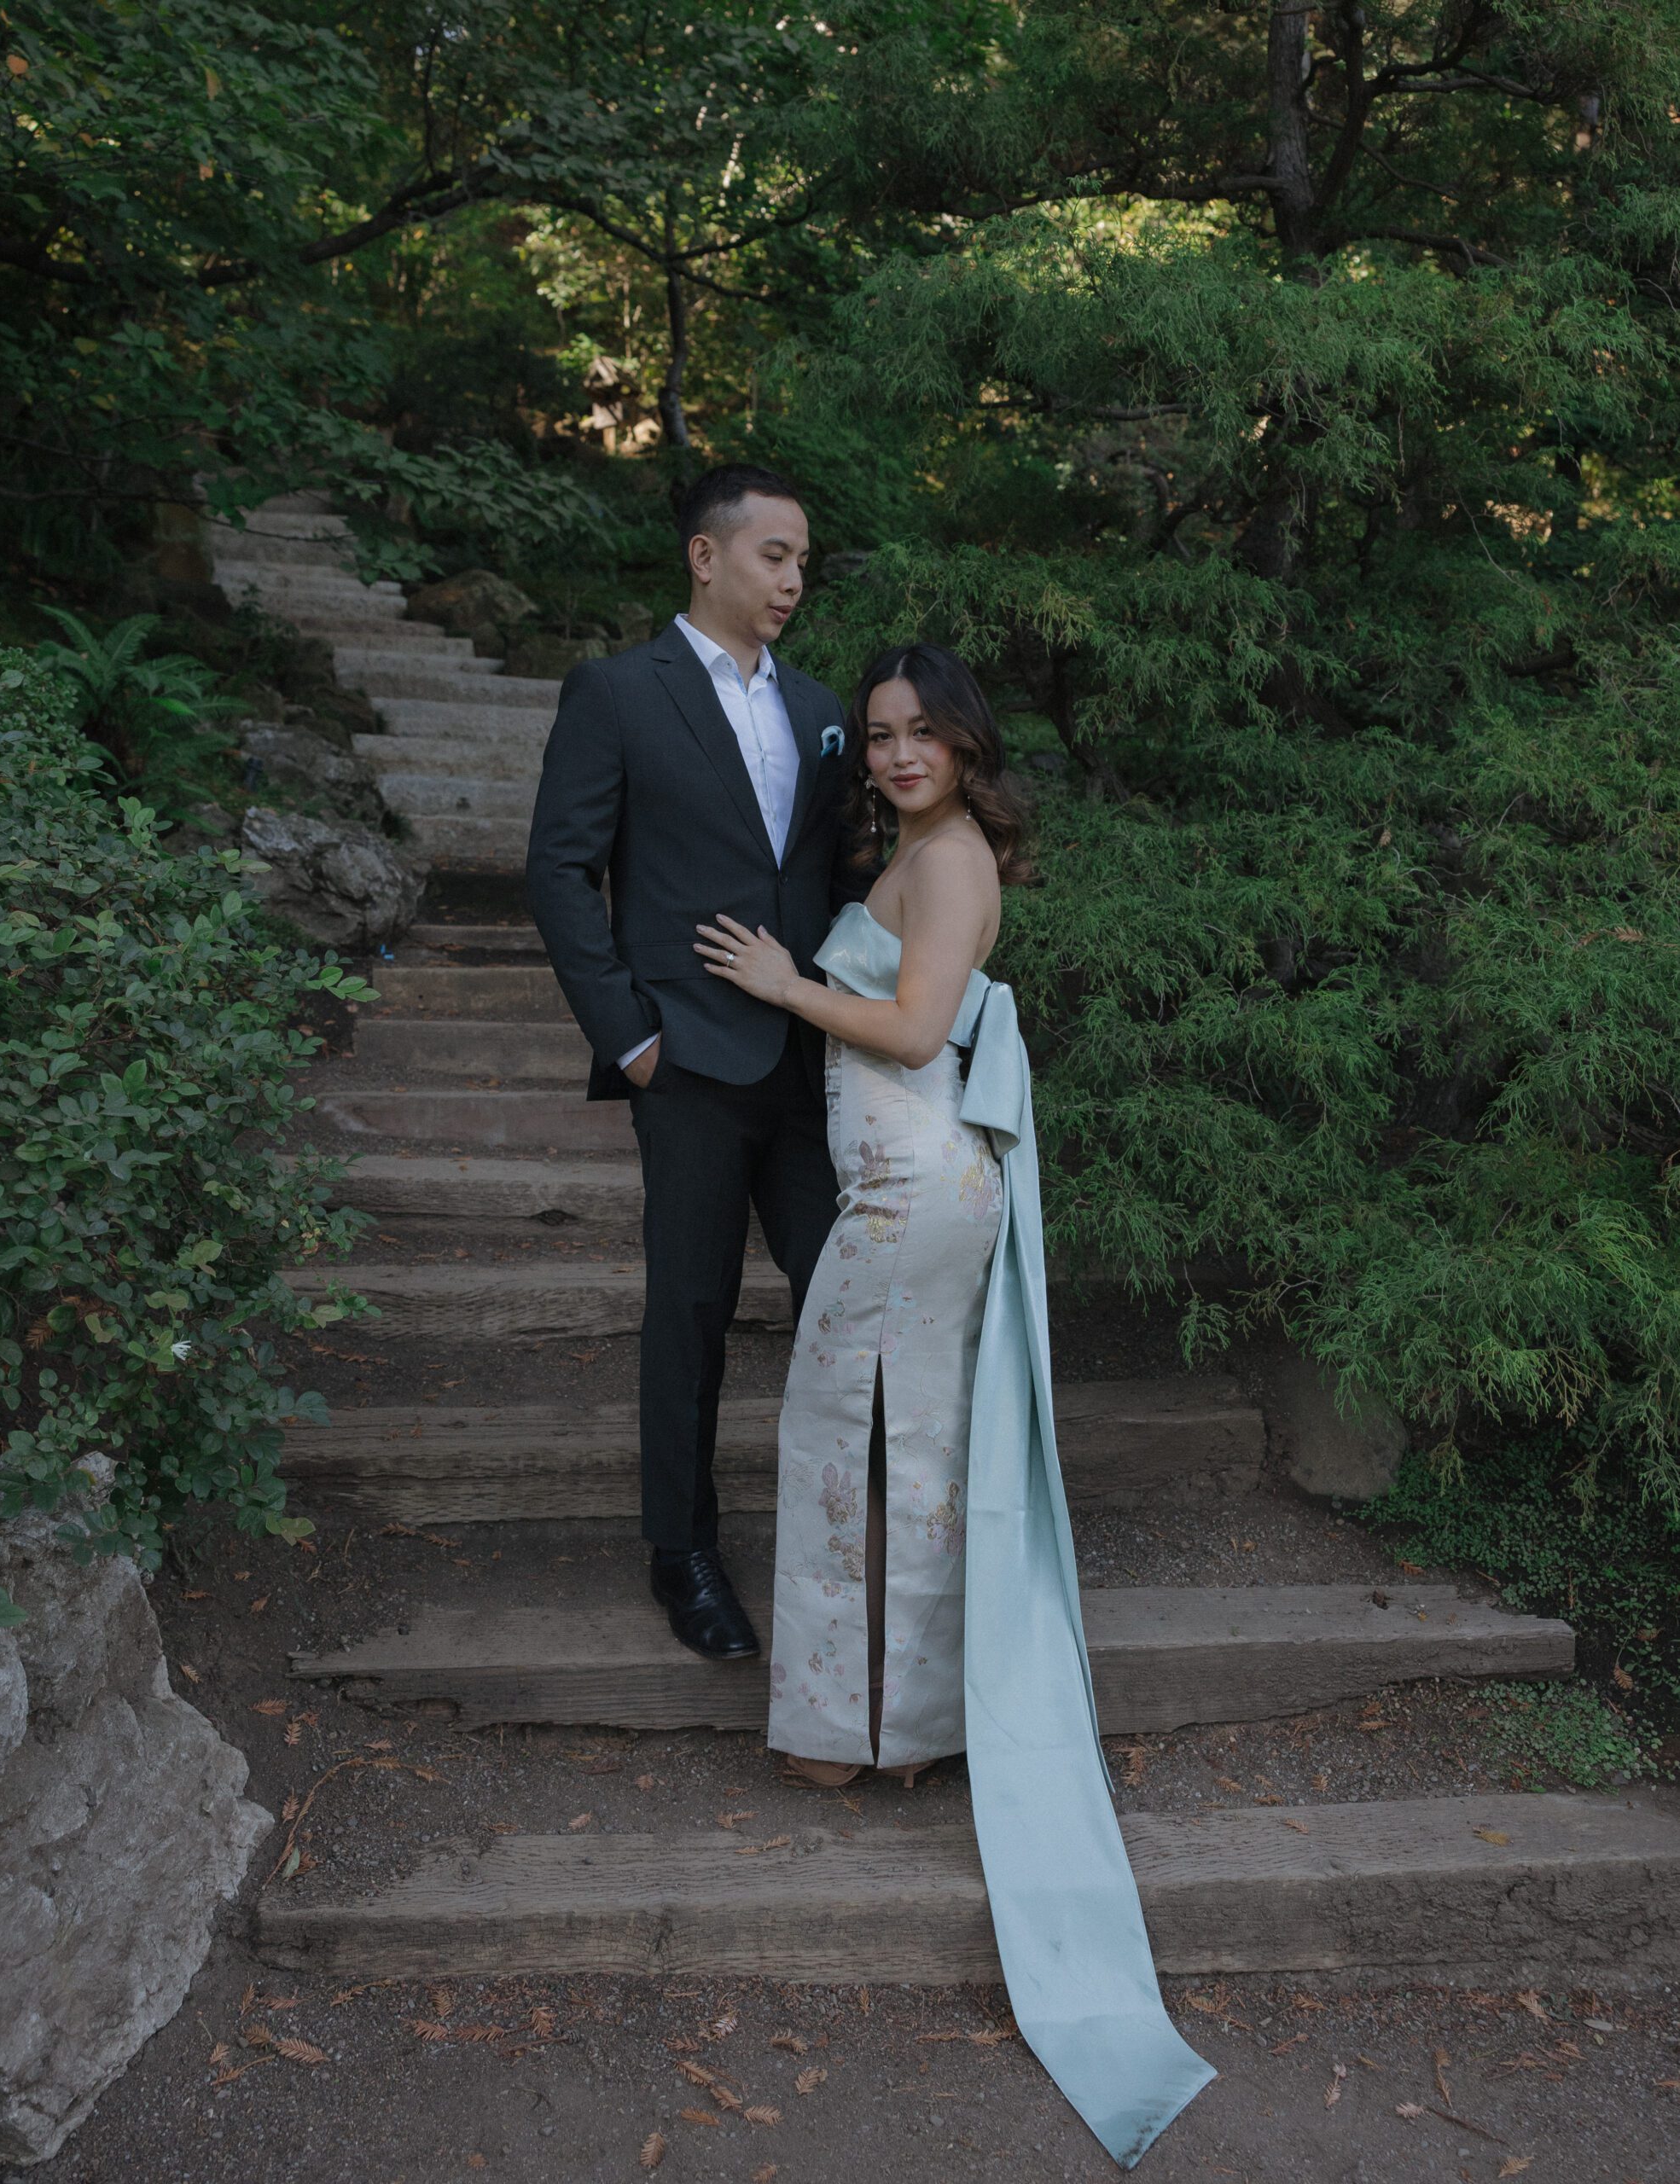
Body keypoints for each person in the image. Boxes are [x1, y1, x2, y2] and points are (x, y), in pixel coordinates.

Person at [693, 643, 1216, 2169]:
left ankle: (872, 1728)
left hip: (914, 1189)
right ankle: (888, 1724)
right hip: (908, 1187)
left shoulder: (954, 860)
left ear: (969, 746)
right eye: (883, 734)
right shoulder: (919, 849)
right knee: (890, 1454)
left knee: (863, 1451)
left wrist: (789, 984)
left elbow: (919, 1034)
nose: (901, 753)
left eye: (926, 734)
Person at [526, 463, 865, 1662]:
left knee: (846, 1293)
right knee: (693, 1309)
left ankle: (863, 1540)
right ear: (706, 557)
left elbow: (835, 877)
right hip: (687, 1066)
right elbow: (561, 871)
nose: (794, 578)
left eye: (805, 560)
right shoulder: (618, 694)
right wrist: (631, 1037)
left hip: (812, 1058)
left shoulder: (825, 707)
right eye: (775, 554)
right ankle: (683, 1551)